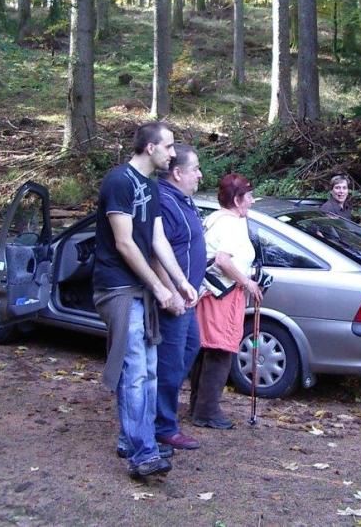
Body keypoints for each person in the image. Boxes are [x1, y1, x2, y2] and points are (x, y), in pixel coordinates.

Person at [92, 121, 198, 479]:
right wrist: (159, 287)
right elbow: (124, 243)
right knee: (135, 371)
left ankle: (133, 439)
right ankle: (143, 453)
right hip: (117, 289)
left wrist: (180, 283)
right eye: (168, 146)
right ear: (150, 148)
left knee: (149, 370)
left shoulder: (151, 187)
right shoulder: (118, 181)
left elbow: (157, 240)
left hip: (141, 289)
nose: (173, 153)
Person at [190, 173, 263, 429]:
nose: (252, 201)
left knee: (207, 350)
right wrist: (247, 282)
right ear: (237, 199)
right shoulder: (231, 224)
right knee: (220, 351)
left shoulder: (215, 219)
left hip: (211, 293)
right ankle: (207, 412)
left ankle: (199, 406)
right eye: (249, 196)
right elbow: (222, 259)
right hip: (222, 295)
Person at [154, 144, 206, 452]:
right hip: (174, 301)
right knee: (170, 363)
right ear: (177, 173)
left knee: (189, 348)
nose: (200, 175)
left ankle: (161, 415)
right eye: (195, 169)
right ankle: (163, 426)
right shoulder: (164, 202)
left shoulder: (183, 200)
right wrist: (171, 291)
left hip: (188, 298)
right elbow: (156, 252)